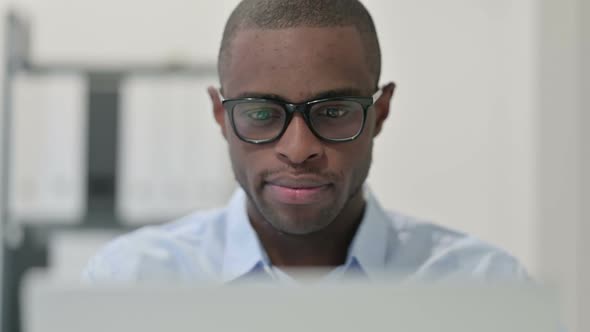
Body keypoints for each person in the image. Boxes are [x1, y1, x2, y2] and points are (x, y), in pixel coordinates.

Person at [83, 0, 527, 283]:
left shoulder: (483, 285)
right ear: (221, 116)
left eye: (333, 112)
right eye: (261, 113)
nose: (298, 150)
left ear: (381, 113)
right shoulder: (131, 281)